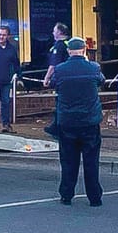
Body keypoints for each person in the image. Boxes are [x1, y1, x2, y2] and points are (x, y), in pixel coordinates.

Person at [46, 37, 105, 206]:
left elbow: (53, 85)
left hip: (67, 121)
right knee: (91, 161)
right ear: (84, 50)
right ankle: (94, 197)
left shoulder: (60, 69)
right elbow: (102, 81)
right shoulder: (94, 67)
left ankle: (66, 194)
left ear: (69, 51)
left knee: (68, 161)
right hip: (89, 121)